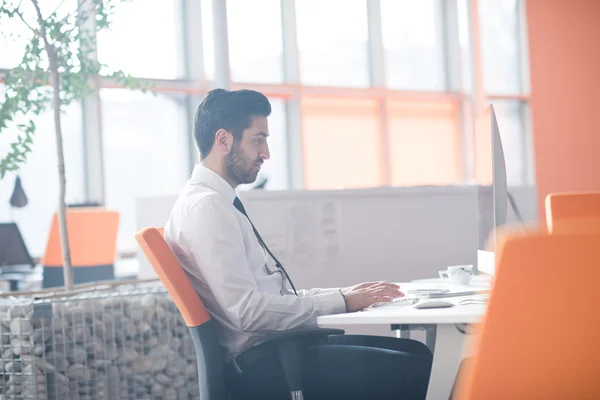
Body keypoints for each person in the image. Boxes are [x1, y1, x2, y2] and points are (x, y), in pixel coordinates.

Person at [164, 89, 433, 399]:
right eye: (257, 139)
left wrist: (344, 295)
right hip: (266, 365)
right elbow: (248, 312)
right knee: (415, 368)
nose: (265, 153)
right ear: (223, 140)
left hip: (277, 350)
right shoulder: (207, 208)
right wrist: (342, 301)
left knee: (416, 353)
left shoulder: (216, 203)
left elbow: (268, 296)